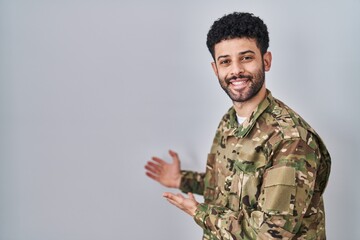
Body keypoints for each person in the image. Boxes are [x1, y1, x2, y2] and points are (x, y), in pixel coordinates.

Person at [144, 12, 331, 240]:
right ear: (216, 70)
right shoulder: (229, 122)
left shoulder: (290, 138)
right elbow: (229, 187)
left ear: (266, 61)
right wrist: (182, 180)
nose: (236, 70)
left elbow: (270, 233)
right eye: (225, 61)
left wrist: (198, 212)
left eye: (246, 58)